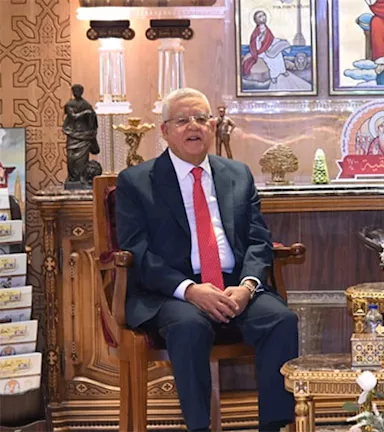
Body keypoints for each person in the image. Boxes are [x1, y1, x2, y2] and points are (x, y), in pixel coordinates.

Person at [116, 88, 298, 432]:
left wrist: (247, 287)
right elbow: (136, 251)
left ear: (213, 126)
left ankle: (273, 427)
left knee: (280, 320)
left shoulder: (237, 174)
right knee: (189, 325)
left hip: (234, 285)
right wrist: (190, 290)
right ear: (165, 131)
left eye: (201, 118)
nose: (193, 126)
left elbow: (258, 240)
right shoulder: (136, 182)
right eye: (182, 120)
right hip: (172, 292)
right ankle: (199, 428)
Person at [62, 84, 100, 185]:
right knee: (71, 158)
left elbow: (92, 117)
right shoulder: (70, 104)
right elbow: (73, 116)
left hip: (84, 135)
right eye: (75, 91)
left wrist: (91, 115)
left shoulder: (86, 104)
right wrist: (85, 113)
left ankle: (81, 178)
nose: (77, 92)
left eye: (79, 91)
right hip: (72, 134)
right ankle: (72, 178)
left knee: (82, 159)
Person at [242, 10, 291, 83]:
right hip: (261, 51)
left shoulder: (266, 29)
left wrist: (279, 40)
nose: (263, 17)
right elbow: (255, 44)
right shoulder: (256, 32)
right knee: (270, 59)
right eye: (260, 16)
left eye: (263, 15)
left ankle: (282, 71)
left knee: (279, 54)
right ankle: (274, 76)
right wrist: (260, 39)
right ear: (256, 20)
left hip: (268, 47)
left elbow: (271, 39)